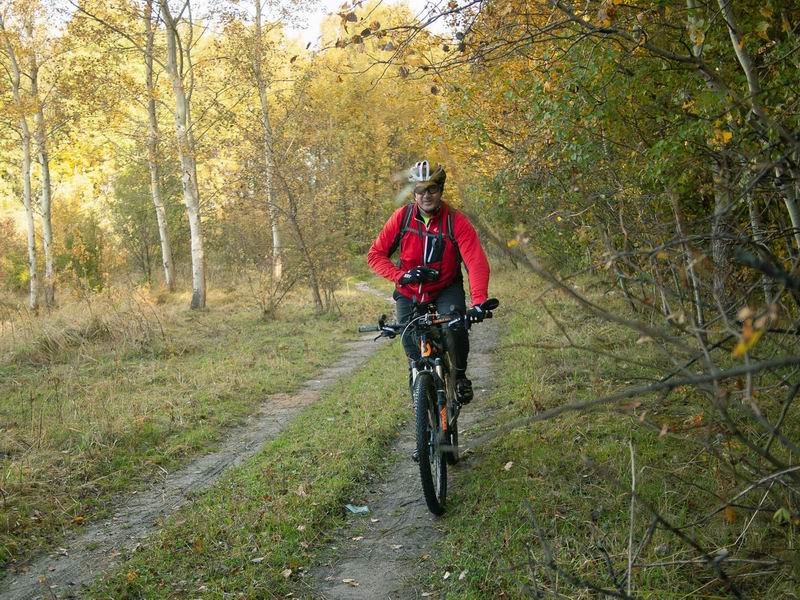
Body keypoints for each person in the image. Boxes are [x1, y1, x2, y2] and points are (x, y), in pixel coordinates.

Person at [367, 160, 491, 405]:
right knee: (409, 341)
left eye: (432, 189)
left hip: (446, 287)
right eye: (420, 190)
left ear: (441, 190)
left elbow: (476, 262)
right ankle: (419, 382)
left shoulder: (455, 221)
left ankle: (459, 376)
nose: (426, 195)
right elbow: (375, 255)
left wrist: (479, 303)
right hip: (409, 290)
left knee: (454, 327)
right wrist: (401, 276)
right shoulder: (401, 218)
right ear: (413, 193)